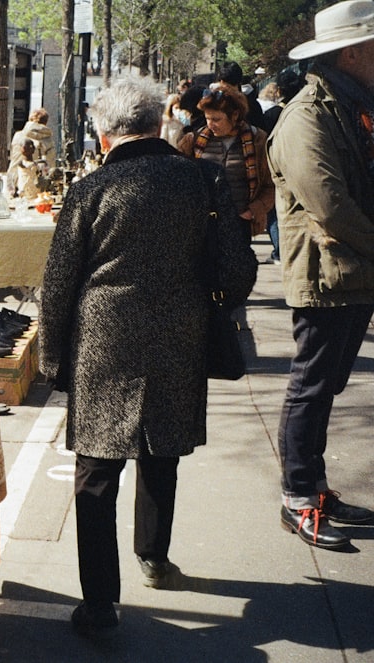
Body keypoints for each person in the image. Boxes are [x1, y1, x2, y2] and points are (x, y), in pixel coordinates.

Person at [37, 78, 257, 637]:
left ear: (105, 133)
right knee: (162, 450)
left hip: (103, 339)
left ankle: (100, 606)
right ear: (161, 121)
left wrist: (50, 358)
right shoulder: (202, 178)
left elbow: (58, 283)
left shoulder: (92, 189)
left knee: (96, 470)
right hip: (179, 334)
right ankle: (154, 558)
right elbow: (236, 271)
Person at [267, 0, 374, 550]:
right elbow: (329, 204)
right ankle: (299, 498)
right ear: (353, 52)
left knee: (325, 387)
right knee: (311, 387)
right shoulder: (309, 113)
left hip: (349, 271)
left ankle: (315, 489)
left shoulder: (348, 104)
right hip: (328, 275)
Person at [177, 82, 275, 243]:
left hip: (240, 223)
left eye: (216, 119)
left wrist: (253, 210)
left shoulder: (258, 141)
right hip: (203, 225)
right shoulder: (193, 141)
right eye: (207, 118)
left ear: (235, 115)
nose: (210, 124)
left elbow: (271, 184)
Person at [261, 68, 306, 264]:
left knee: (276, 212)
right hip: (301, 166)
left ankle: (280, 250)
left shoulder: (272, 114)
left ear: (279, 90)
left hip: (277, 167)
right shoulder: (305, 111)